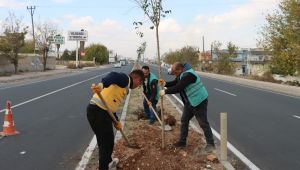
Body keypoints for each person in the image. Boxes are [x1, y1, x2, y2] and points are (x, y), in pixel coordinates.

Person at [87, 69, 144, 170]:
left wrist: (116, 121)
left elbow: (111, 105)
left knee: (103, 142)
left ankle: (108, 162)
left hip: (97, 111)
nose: (137, 86)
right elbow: (113, 75)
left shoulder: (124, 86)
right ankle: (104, 167)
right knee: (107, 143)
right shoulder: (126, 79)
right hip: (99, 112)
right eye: (139, 84)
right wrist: (102, 85)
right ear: (137, 79)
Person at [159, 62, 215, 152]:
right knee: (184, 120)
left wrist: (165, 92)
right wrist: (165, 84)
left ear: (179, 70)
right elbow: (175, 82)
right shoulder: (182, 74)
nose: (175, 75)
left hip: (199, 101)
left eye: (175, 72)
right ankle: (182, 142)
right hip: (190, 102)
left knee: (203, 123)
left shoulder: (189, 75)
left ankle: (210, 144)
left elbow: (178, 87)